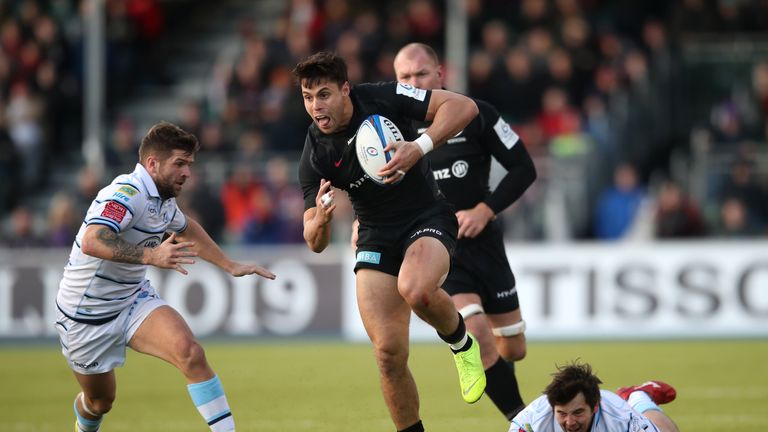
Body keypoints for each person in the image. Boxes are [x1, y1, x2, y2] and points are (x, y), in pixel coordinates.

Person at [295, 51, 484, 432]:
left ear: (346, 90)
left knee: (415, 288)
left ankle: (462, 345)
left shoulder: (382, 97)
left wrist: (420, 147)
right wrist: (321, 218)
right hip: (375, 234)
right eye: (307, 97)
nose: (316, 106)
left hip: (426, 216)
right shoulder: (315, 152)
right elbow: (313, 241)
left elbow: (464, 107)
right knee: (387, 354)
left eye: (324, 94)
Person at [55, 121, 276, 432]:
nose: (187, 172)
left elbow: (186, 227)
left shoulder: (163, 198)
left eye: (189, 164)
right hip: (86, 316)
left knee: (190, 352)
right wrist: (151, 255)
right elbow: (93, 240)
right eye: (180, 164)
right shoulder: (126, 193)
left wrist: (229, 265)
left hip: (132, 300)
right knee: (99, 403)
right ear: (152, 163)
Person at [391, 42, 536, 420]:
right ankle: (525, 422)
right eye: (404, 77)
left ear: (441, 74)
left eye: (421, 74)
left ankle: (510, 395)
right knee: (478, 335)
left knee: (513, 347)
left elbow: (524, 168)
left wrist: (486, 210)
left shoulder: (476, 114)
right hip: (438, 246)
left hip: (485, 243)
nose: (414, 82)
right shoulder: (390, 127)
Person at [509, 362, 680, 432]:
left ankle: (638, 398)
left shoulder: (622, 419)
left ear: (595, 406)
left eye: (577, 412)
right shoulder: (530, 421)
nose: (569, 422)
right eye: (562, 413)